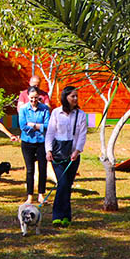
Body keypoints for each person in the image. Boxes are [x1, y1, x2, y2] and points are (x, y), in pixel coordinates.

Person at [45, 86, 88, 227]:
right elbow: (50, 132)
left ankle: (66, 217)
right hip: (57, 154)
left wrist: (77, 151)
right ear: (65, 97)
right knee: (62, 183)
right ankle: (57, 215)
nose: (75, 99)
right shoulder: (56, 113)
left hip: (73, 155)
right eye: (72, 96)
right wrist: (48, 150)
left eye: (76, 96)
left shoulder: (81, 115)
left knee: (67, 186)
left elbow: (82, 135)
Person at [18, 86, 51, 204]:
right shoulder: (23, 109)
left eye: (36, 98)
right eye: (31, 98)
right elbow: (23, 126)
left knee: (43, 169)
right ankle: (30, 196)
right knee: (30, 169)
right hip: (27, 142)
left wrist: (33, 125)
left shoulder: (45, 109)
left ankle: (41, 195)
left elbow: (47, 125)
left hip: (41, 142)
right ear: (28, 97)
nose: (33, 101)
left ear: (39, 97)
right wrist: (39, 126)